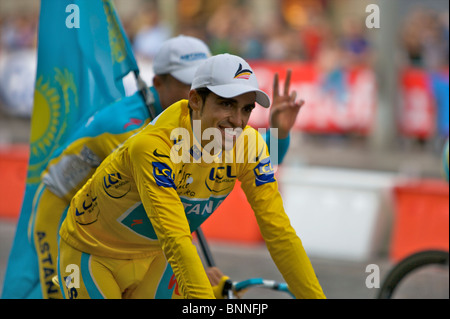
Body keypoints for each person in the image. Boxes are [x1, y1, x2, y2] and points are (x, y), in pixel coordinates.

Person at [27, 36, 297, 298]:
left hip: (141, 239)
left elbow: (260, 154)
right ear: (158, 83)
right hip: (66, 221)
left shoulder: (202, 125)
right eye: (187, 83)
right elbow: (61, 185)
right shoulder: (121, 129)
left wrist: (279, 133)